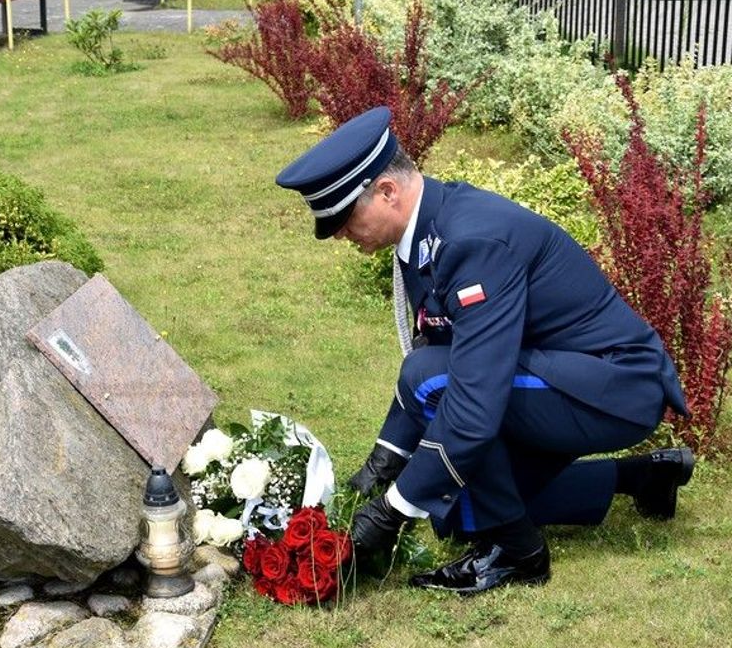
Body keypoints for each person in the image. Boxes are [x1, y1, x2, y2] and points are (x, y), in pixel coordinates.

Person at [275, 107, 694, 597]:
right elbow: (443, 347)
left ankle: (520, 553)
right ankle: (647, 476)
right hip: (555, 374)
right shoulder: (429, 227)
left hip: (616, 385)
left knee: (438, 404)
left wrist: (390, 513)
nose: (341, 234)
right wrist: (382, 467)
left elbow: (467, 398)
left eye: (345, 217)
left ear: (387, 192)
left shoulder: (470, 240)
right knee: (457, 512)